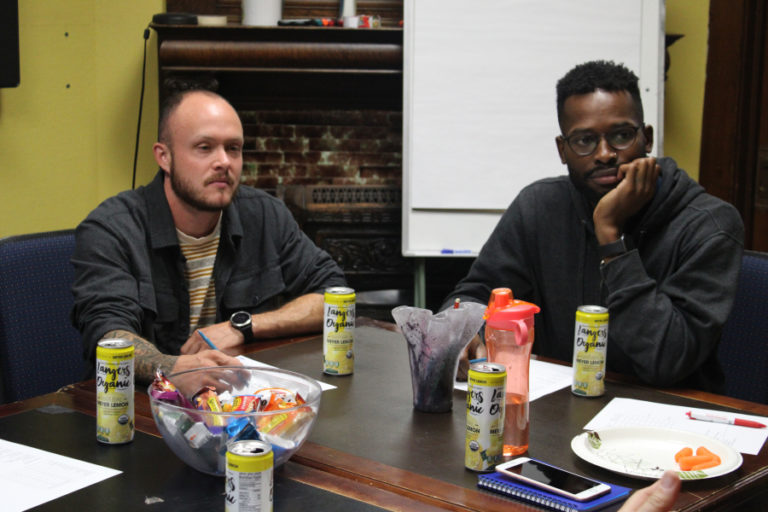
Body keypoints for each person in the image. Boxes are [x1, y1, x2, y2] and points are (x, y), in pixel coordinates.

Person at [447, 61, 744, 390]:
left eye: (620, 136)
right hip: (561, 407)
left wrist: (610, 237)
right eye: (585, 140)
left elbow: (666, 361)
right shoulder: (538, 207)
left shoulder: (709, 225)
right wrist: (462, 331)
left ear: (646, 138)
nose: (604, 154)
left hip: (667, 417)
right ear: (562, 150)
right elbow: (474, 293)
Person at [71, 89, 347, 383]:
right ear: (164, 157)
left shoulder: (266, 215)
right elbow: (108, 335)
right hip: (142, 407)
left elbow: (335, 299)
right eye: (204, 147)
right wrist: (174, 368)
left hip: (240, 398)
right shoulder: (111, 229)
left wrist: (243, 326)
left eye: (233, 148)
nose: (224, 162)